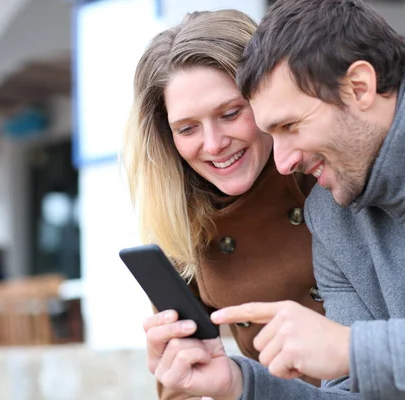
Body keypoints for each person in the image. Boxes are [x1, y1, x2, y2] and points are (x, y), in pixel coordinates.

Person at [150, 0, 405, 399]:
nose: (284, 160)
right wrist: (241, 385)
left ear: (359, 87)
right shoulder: (330, 215)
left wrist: (354, 349)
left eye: (290, 125)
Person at [123, 9, 326, 399]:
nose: (213, 144)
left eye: (231, 113)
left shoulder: (328, 170)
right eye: (187, 128)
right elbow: (182, 388)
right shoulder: (182, 224)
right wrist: (180, 368)